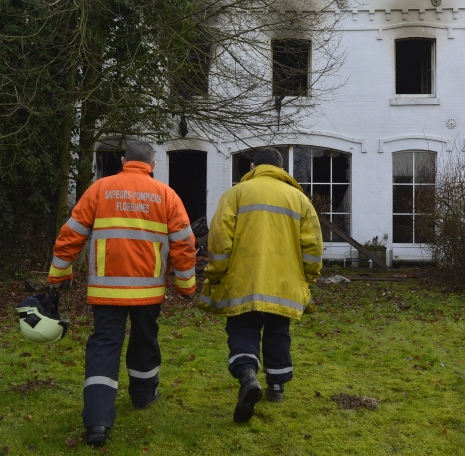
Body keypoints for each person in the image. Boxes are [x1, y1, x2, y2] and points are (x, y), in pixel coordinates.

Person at [47, 140, 196, 446]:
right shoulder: (166, 195)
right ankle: (143, 396)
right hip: (149, 290)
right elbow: (184, 244)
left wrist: (59, 272)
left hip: (106, 288)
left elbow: (71, 233)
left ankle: (98, 423)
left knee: (103, 346)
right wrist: (185, 285)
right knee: (145, 341)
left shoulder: (100, 189)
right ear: (152, 165)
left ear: (123, 160)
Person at [198, 147, 323, 423]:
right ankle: (276, 386)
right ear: (281, 169)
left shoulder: (235, 194)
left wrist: (215, 274)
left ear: (253, 166)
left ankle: (247, 375)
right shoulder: (299, 199)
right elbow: (313, 246)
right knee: (279, 330)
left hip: (243, 280)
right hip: (283, 283)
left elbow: (219, 239)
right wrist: (308, 277)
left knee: (243, 327)